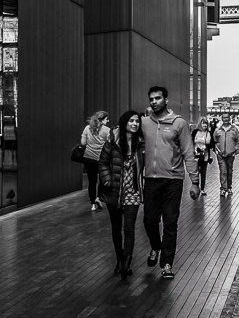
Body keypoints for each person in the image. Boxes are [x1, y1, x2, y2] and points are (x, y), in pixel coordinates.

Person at [141, 86, 200, 279]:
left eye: (158, 98)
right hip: (151, 179)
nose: (154, 101)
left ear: (166, 100)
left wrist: (195, 181)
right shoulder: (144, 123)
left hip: (173, 180)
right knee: (149, 220)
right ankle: (155, 247)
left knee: (170, 223)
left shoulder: (179, 123)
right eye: (151, 99)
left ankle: (166, 264)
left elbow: (188, 152)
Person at [99, 110, 145, 278]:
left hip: (132, 191)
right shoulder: (113, 139)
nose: (135, 124)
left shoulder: (141, 142)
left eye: (137, 121)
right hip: (114, 191)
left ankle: (127, 261)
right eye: (131, 121)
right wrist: (107, 181)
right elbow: (103, 162)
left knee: (129, 228)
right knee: (116, 228)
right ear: (125, 122)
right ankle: (119, 259)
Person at [80, 110, 110, 210]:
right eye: (107, 119)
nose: (108, 121)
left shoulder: (87, 128)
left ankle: (93, 203)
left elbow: (83, 143)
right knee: (103, 180)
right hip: (101, 159)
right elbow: (110, 145)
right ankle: (98, 197)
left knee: (92, 182)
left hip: (88, 158)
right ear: (103, 120)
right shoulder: (107, 130)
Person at [212, 114, 239, 196]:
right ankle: (223, 188)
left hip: (231, 154)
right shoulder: (218, 130)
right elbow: (214, 141)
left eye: (227, 118)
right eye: (224, 118)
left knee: (229, 171)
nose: (226, 119)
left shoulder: (234, 130)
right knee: (223, 171)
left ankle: (229, 187)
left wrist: (236, 150)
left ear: (229, 119)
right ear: (222, 119)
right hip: (220, 154)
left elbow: (238, 141)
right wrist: (216, 150)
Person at [191, 116, 213, 194]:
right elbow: (191, 142)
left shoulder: (209, 133)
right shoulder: (195, 132)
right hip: (195, 155)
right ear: (200, 124)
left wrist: (205, 145)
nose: (205, 126)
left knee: (203, 173)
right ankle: (195, 187)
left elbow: (211, 144)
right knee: (196, 172)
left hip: (205, 156)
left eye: (206, 124)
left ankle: (202, 188)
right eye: (203, 124)